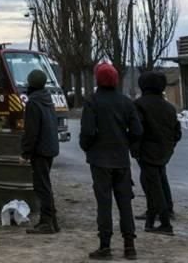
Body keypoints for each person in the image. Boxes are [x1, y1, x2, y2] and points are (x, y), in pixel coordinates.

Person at [80, 63, 143, 260]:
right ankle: (129, 245)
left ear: (98, 79)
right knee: (125, 203)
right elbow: (137, 131)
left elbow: (87, 132)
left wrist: (88, 147)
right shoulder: (126, 102)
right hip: (121, 160)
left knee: (104, 204)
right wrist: (126, 144)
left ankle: (105, 246)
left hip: (100, 160)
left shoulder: (92, 102)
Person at [133, 71, 181, 235]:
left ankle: (165, 223)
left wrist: (135, 151)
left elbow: (137, 130)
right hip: (164, 152)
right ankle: (151, 220)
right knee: (157, 182)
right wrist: (170, 147)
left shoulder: (139, 105)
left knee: (153, 186)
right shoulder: (169, 107)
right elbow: (177, 132)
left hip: (147, 152)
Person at [21, 69, 60, 234]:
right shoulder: (47, 99)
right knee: (46, 185)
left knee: (41, 186)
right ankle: (52, 221)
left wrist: (25, 153)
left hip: (40, 150)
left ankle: (47, 223)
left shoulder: (33, 103)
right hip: (50, 148)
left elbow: (31, 131)